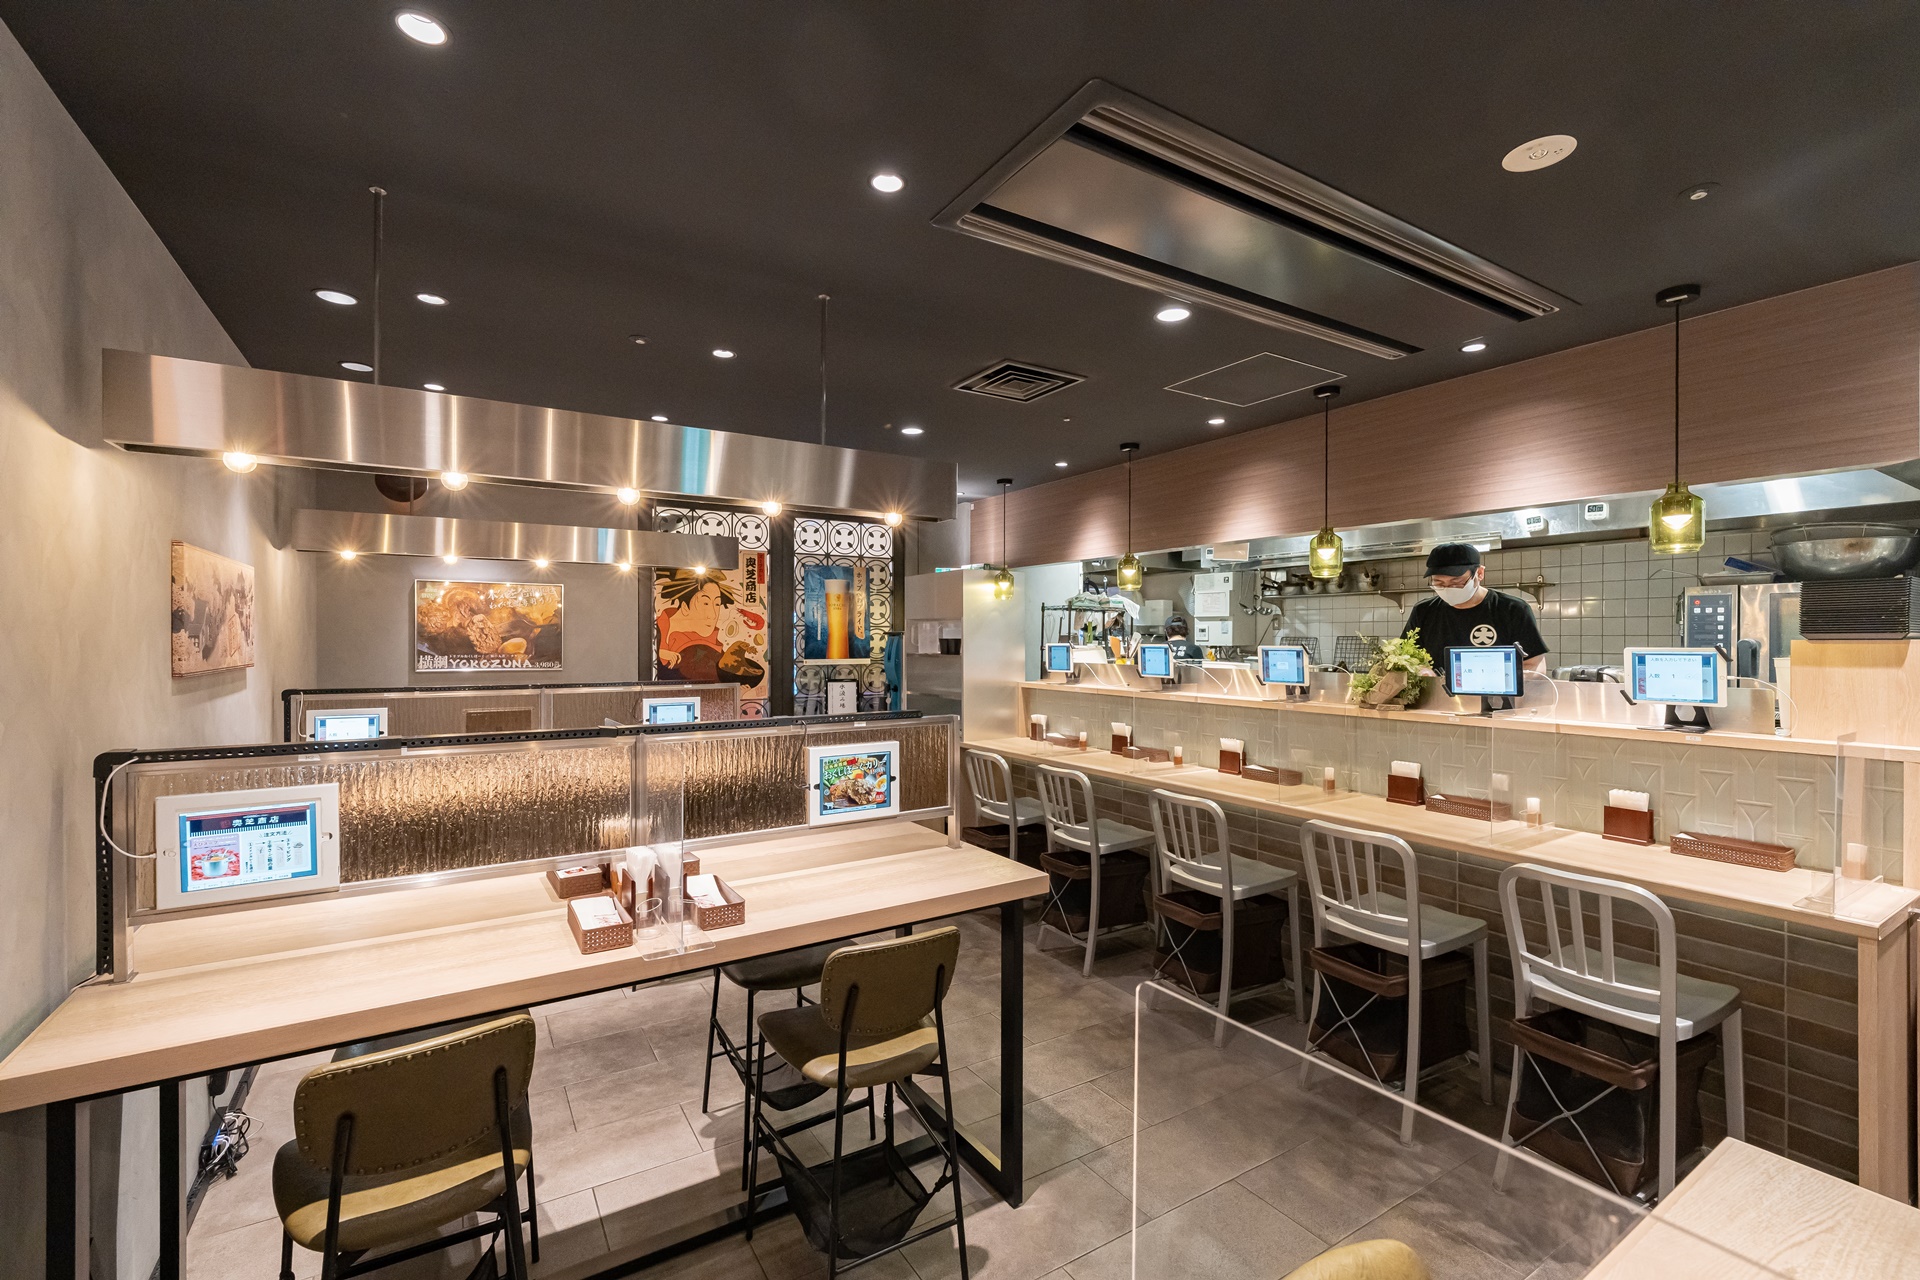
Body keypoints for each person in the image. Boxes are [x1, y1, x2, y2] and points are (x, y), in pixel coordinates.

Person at [1400, 542, 1547, 673]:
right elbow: (1406, 657)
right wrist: (1422, 672)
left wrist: (1505, 682)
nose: (1448, 589)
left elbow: (1535, 664)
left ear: (1480, 573)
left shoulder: (1513, 610)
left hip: (1498, 695)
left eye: (1456, 582)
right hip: (1436, 695)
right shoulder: (1423, 611)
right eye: (1438, 583)